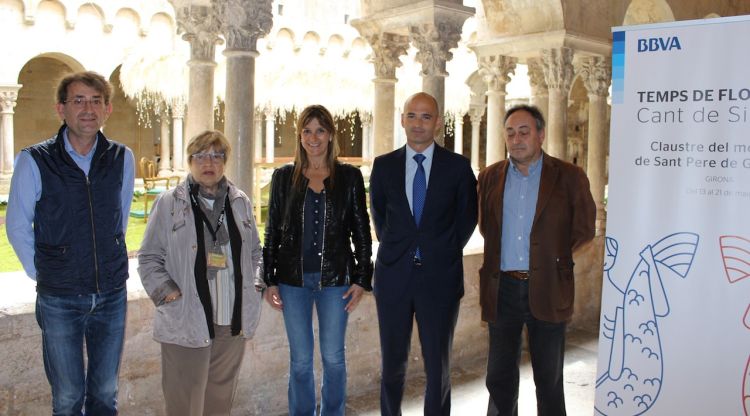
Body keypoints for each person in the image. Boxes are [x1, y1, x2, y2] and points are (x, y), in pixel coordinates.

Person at [5, 71, 135, 415]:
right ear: (61, 109)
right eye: (78, 100)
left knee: (106, 393)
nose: (87, 109)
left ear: (107, 109)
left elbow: (118, 219)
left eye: (96, 101)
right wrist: (46, 273)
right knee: (67, 397)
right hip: (59, 298)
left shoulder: (122, 158)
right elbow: (17, 225)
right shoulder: (35, 160)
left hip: (111, 294)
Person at [477, 104, 596, 416]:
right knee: (499, 376)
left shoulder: (569, 176)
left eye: (524, 132)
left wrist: (551, 257)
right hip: (502, 289)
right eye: (511, 133)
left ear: (541, 135)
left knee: (549, 378)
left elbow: (584, 227)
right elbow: (486, 226)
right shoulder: (490, 178)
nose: (517, 139)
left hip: (548, 287)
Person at [137, 130, 264, 416]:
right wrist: (167, 293)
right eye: (201, 156)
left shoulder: (240, 201)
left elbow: (257, 252)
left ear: (225, 161)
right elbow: (148, 257)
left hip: (231, 318)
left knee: (219, 400)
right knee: (184, 400)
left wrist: (255, 284)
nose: (209, 162)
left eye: (217, 155)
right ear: (190, 161)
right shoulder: (170, 203)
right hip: (187, 316)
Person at [369, 92, 478, 415]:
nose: (418, 123)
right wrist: (402, 248)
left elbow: (467, 218)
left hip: (440, 280)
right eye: (412, 116)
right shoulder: (384, 166)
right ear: (402, 119)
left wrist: (440, 250)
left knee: (438, 368)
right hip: (393, 280)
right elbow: (380, 219)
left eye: (426, 116)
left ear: (438, 123)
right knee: (392, 367)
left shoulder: (458, 168)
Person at [263, 104, 373, 416]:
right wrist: (269, 279)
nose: (314, 137)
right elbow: (272, 231)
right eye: (308, 130)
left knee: (334, 357)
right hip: (292, 282)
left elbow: (361, 232)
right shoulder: (283, 178)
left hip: (335, 282)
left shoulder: (349, 178)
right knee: (299, 360)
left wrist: (362, 279)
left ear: (330, 135)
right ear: (300, 136)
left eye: (320, 130)